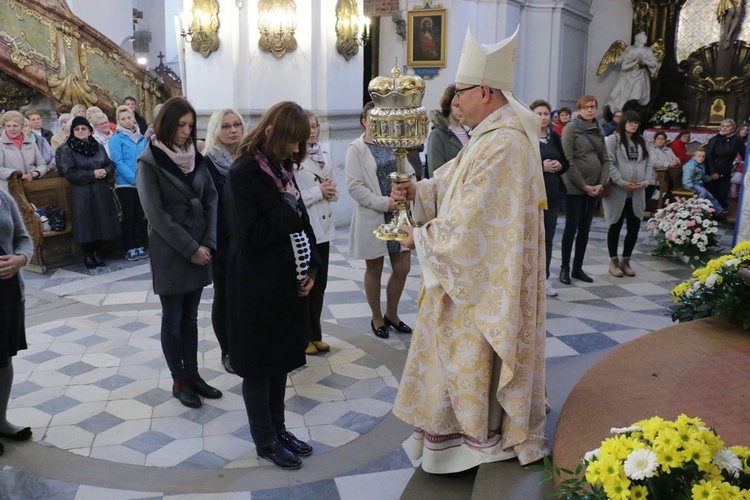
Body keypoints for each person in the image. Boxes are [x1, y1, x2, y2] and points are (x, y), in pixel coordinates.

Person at [391, 27, 549, 473]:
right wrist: (417, 191)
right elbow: (451, 187)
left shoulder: (504, 142)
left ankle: (476, 441)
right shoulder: (488, 135)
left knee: (470, 358)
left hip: (480, 285)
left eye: (460, 92)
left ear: (484, 90)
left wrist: (419, 237)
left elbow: (475, 225)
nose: (455, 102)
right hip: (472, 279)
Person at [224, 101, 318, 470]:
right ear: (271, 133)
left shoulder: (282, 169)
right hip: (256, 288)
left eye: (301, 144)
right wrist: (284, 205)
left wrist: (311, 268)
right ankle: (264, 439)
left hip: (287, 285)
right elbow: (248, 237)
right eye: (292, 142)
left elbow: (303, 224)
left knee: (279, 362)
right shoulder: (243, 173)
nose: (297, 151)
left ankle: (279, 429)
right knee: (259, 366)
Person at [136, 96, 221, 409]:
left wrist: (208, 243)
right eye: (181, 125)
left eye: (190, 125)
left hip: (200, 246)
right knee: (173, 318)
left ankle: (194, 375)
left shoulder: (196, 157)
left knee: (190, 317)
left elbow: (211, 199)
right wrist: (191, 249)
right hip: (172, 251)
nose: (186, 131)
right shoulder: (150, 161)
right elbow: (156, 214)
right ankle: (178, 380)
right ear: (167, 124)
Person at [345, 102, 413, 340]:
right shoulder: (357, 148)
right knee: (374, 268)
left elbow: (410, 172)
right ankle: (376, 317)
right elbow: (355, 187)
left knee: (403, 267)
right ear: (364, 121)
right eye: (372, 118)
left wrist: (405, 191)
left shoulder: (394, 143)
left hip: (398, 213)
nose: (377, 122)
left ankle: (392, 314)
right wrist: (385, 203)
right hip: (375, 213)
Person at [200, 107, 246, 374]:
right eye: (226, 126)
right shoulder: (206, 162)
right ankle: (227, 349)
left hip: (249, 239)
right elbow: (207, 205)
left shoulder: (249, 158)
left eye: (237, 124)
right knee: (225, 297)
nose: (233, 130)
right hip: (223, 240)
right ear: (216, 131)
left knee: (246, 295)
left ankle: (246, 342)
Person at [296, 110, 338, 356]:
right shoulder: (294, 159)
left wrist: (332, 192)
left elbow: (332, 187)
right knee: (306, 284)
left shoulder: (325, 156)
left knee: (320, 285)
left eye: (315, 126)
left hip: (325, 228)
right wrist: (319, 191)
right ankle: (302, 337)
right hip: (307, 225)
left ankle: (315, 334)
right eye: (308, 126)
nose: (312, 130)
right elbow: (295, 196)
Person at [59, 116, 121, 268]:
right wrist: (92, 174)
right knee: (86, 224)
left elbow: (109, 164)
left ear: (89, 130)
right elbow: (70, 173)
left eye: (83, 128)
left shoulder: (97, 145)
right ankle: (88, 254)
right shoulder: (67, 149)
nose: (80, 131)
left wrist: (105, 171)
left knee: (102, 222)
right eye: (77, 129)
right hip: (82, 193)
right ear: (73, 131)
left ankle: (98, 253)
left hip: (100, 190)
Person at [560, 96, 609, 284]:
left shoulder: (598, 129)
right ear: (579, 109)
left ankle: (577, 268)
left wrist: (601, 184)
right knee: (571, 228)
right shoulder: (571, 128)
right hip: (575, 187)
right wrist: (584, 185)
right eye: (586, 107)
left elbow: (605, 158)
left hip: (594, 187)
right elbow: (568, 160)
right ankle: (564, 268)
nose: (590, 110)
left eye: (593, 107)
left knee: (585, 230)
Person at [0, 188, 35, 456]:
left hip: (8, 293)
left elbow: (24, 238)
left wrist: (20, 259)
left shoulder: (2, 196)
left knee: (3, 360)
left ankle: (0, 420)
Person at [603, 111, 653, 278]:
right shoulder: (613, 140)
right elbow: (609, 163)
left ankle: (626, 260)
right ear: (623, 122)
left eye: (636, 122)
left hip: (638, 193)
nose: (634, 125)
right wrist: (621, 181)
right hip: (618, 191)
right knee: (615, 225)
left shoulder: (642, 141)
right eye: (631, 122)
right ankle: (613, 261)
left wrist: (645, 182)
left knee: (634, 227)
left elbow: (648, 164)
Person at [531, 99, 569, 297]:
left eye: (546, 113)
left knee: (548, 239)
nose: (543, 117)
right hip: (533, 197)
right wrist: (541, 166)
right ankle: (529, 280)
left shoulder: (554, 137)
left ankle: (544, 279)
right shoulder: (526, 138)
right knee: (531, 239)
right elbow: (521, 164)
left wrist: (559, 166)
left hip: (552, 195)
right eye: (538, 114)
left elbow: (566, 161)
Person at [108, 105, 148, 262]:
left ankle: (139, 245)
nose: (127, 121)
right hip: (126, 184)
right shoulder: (116, 139)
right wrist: (134, 179)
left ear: (133, 118)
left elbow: (144, 158)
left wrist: (143, 178)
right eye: (123, 119)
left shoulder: (141, 137)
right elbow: (118, 161)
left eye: (129, 118)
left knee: (139, 215)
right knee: (129, 215)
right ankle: (129, 247)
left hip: (142, 182)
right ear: (118, 121)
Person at [603, 32, 659, 113]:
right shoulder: (631, 50)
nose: (646, 38)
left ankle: (632, 115)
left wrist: (644, 60)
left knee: (637, 96)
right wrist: (636, 61)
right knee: (621, 95)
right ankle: (621, 114)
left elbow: (654, 64)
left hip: (640, 75)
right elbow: (624, 67)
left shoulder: (648, 51)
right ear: (639, 40)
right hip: (628, 75)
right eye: (644, 37)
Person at [427, 84, 469, 177]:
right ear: (448, 105)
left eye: (464, 105)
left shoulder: (470, 133)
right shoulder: (437, 134)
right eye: (457, 106)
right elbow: (435, 172)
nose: (461, 109)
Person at [0, 111, 48, 193]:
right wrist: (20, 175)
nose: (12, 129)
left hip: (31, 186)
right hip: (8, 189)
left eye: (15, 126)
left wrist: (36, 172)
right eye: (8, 126)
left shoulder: (31, 144)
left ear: (21, 126)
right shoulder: (1, 145)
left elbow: (42, 164)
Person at [705, 118, 746, 209]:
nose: (724, 128)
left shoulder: (737, 140)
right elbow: (708, 155)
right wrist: (713, 172)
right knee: (710, 196)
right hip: (712, 170)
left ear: (733, 128)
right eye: (723, 126)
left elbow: (744, 155)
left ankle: (720, 214)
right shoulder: (715, 139)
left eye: (727, 126)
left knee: (722, 195)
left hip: (726, 171)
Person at [683, 149, 725, 214]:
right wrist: (691, 188)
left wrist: (711, 178)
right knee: (702, 192)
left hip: (699, 184)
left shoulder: (701, 166)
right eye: (699, 156)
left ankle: (720, 211)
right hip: (692, 184)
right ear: (694, 157)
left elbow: (702, 177)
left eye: (703, 157)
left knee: (710, 196)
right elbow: (686, 179)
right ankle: (698, 208)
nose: (701, 158)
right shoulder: (691, 166)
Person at [647, 131, 680, 200]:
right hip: (656, 176)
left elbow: (674, 158)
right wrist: (668, 164)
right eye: (658, 139)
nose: (660, 140)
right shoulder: (652, 149)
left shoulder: (668, 149)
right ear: (655, 140)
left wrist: (677, 160)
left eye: (663, 139)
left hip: (669, 175)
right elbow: (654, 162)